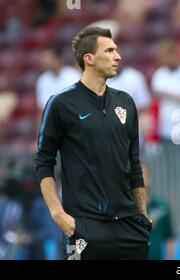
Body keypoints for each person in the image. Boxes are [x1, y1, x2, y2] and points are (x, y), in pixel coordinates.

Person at [35, 26, 152, 260]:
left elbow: (134, 164)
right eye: (109, 51)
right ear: (89, 58)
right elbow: (43, 162)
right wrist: (57, 213)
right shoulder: (61, 104)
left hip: (130, 226)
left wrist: (143, 216)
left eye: (116, 50)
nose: (118, 57)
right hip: (84, 227)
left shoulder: (126, 102)